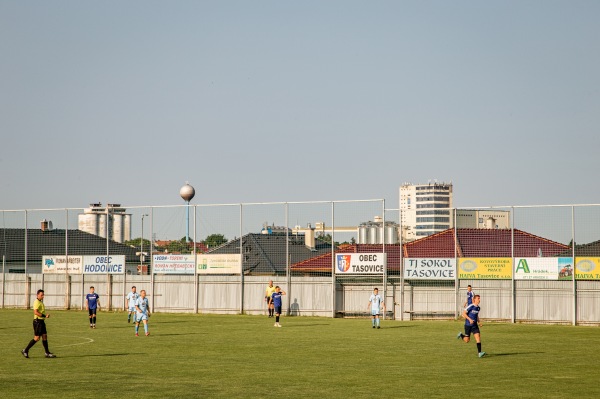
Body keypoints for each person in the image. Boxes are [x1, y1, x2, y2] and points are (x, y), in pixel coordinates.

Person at [21, 289, 56, 358]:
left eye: (43, 295)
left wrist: (44, 316)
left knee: (44, 336)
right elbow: (36, 312)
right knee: (37, 338)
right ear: (37, 295)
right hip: (37, 322)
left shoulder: (40, 302)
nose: (43, 296)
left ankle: (47, 353)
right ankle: (25, 350)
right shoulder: (36, 302)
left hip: (42, 322)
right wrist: (45, 316)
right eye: (41, 295)